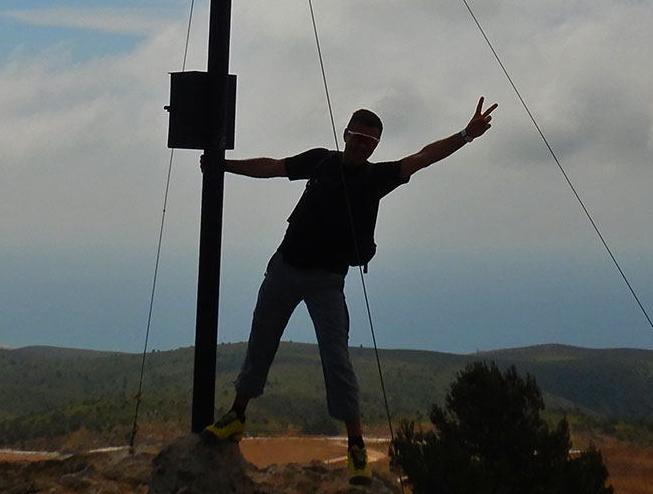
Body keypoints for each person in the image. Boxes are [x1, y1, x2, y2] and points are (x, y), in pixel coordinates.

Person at [200, 98, 498, 484]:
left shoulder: (378, 178)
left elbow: (423, 157)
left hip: (327, 280)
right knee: (261, 344)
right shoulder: (321, 161)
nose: (362, 146)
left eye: (370, 142)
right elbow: (273, 167)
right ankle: (236, 418)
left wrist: (465, 135)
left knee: (336, 360)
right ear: (346, 135)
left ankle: (356, 447)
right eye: (358, 137)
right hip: (285, 268)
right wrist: (224, 166)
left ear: (376, 145)